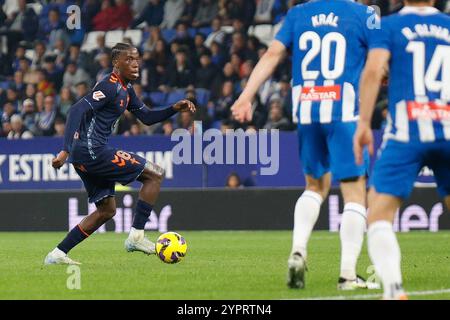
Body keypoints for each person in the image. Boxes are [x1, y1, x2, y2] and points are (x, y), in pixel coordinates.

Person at [231, 0, 380, 290]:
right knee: (354, 193)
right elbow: (379, 61)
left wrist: (246, 95)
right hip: (343, 112)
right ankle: (348, 275)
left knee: (314, 187)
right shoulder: (363, 14)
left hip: (307, 109)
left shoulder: (298, 14)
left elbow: (273, 53)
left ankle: (298, 250)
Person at [44, 43, 196, 265]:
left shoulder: (126, 89)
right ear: (116, 63)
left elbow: (146, 117)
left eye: (137, 59)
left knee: (106, 210)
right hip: (91, 150)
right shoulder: (109, 86)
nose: (135, 64)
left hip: (85, 155)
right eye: (129, 59)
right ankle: (136, 237)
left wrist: (174, 108)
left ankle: (57, 254)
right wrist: (65, 150)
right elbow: (77, 109)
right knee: (155, 174)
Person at [353, 0, 450, 300]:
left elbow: (373, 71)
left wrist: (364, 123)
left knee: (379, 213)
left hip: (407, 132)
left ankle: (394, 290)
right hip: (447, 127)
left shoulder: (390, 25)